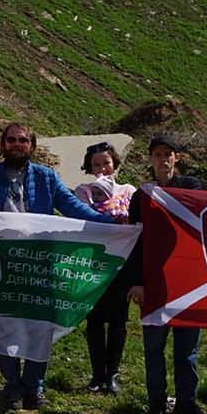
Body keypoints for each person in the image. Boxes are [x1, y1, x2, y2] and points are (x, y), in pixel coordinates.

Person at [0, 121, 118, 411]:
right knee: (5, 326)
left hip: (38, 263)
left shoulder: (47, 177)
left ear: (32, 146)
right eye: (11, 140)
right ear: (2, 145)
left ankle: (34, 386)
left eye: (23, 140)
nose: (16, 144)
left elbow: (73, 208)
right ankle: (12, 386)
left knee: (39, 327)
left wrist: (112, 225)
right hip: (2, 262)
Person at [124, 135, 206, 414]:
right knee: (154, 348)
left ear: (177, 158)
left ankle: (187, 402)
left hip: (187, 281)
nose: (163, 159)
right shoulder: (141, 196)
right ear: (150, 159)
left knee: (187, 349)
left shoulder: (192, 187)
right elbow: (135, 239)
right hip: (154, 280)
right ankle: (156, 404)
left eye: (168, 154)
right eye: (157, 154)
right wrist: (136, 281)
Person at [72, 142, 136, 393]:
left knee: (119, 320)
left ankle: (113, 374)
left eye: (106, 163)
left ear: (115, 163)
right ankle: (97, 375)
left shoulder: (129, 190)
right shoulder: (83, 191)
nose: (102, 169)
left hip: (122, 264)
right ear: (89, 167)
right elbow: (83, 218)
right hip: (93, 263)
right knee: (95, 320)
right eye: (96, 164)